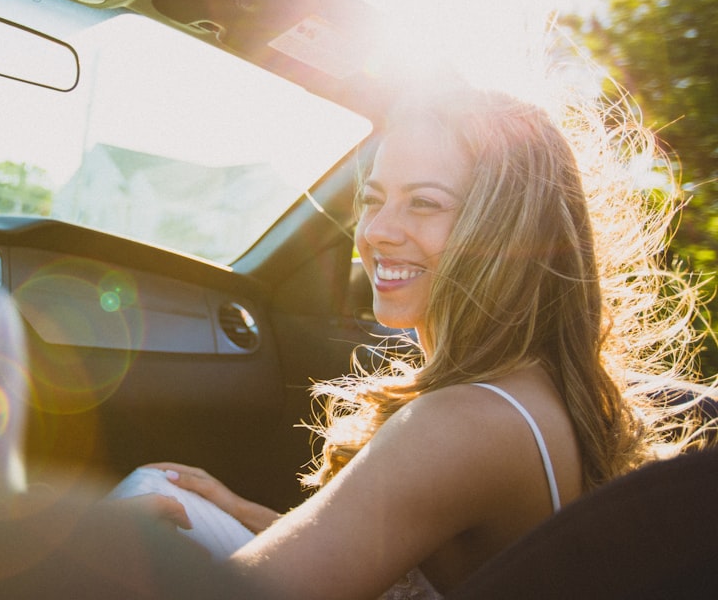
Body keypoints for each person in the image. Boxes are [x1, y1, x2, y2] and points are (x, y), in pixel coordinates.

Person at [120, 83, 711, 599]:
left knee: (134, 509)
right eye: (373, 200)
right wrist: (249, 515)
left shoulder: (462, 422)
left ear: (509, 235)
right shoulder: (534, 386)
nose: (375, 232)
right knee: (167, 487)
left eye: (424, 203)